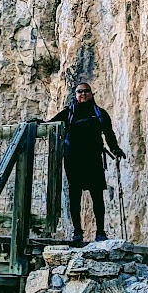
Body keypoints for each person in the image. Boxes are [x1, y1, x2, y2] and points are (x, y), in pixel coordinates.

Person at [48, 81, 126, 245]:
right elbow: (51, 125)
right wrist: (37, 123)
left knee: (97, 196)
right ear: (75, 95)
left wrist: (115, 149)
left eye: (86, 91)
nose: (83, 94)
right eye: (80, 91)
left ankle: (100, 232)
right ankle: (77, 232)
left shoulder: (100, 113)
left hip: (93, 159)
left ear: (91, 93)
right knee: (75, 196)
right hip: (74, 161)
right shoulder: (69, 113)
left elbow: (109, 134)